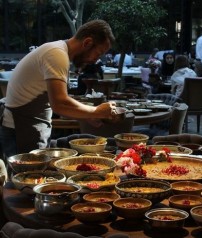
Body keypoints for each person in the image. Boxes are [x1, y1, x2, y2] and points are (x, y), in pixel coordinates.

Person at [0, 19, 118, 158]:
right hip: (21, 131)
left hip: (28, 128)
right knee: (26, 178)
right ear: (87, 43)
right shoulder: (57, 55)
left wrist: (87, 115)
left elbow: (57, 100)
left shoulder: (57, 50)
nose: (96, 60)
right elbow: (60, 104)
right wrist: (97, 112)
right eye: (98, 53)